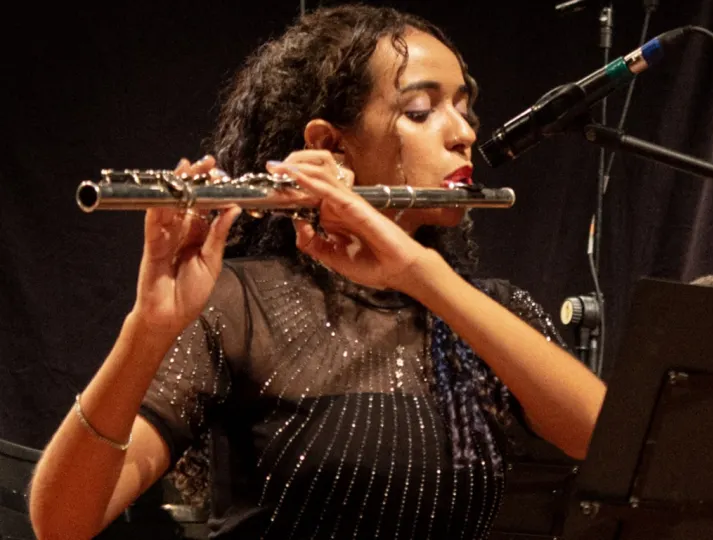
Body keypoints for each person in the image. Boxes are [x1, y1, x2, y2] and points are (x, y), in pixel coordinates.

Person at [28, 4, 606, 539]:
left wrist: (418, 274)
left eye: (464, 107)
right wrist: (149, 327)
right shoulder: (241, 305)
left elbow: (602, 439)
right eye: (421, 111)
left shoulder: (490, 312)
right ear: (331, 144)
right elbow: (62, 524)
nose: (464, 133)